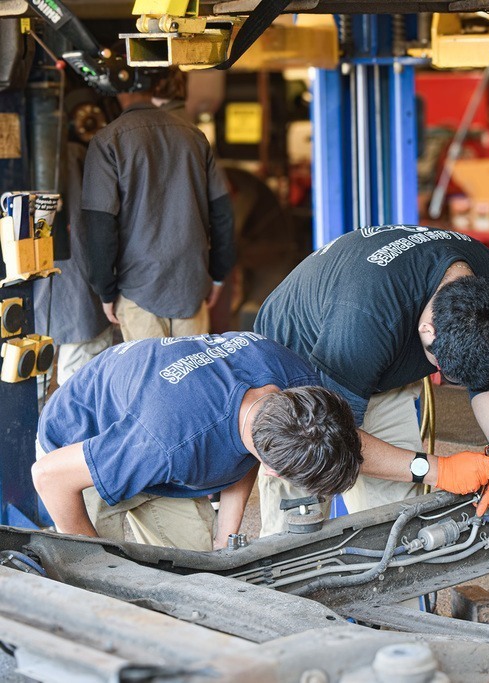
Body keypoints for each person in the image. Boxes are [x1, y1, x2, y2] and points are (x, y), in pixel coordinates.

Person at [254, 225, 489, 532]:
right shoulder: (366, 318)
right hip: (299, 377)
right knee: (298, 529)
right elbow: (332, 439)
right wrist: (438, 469)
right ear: (428, 330)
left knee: (396, 523)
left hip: (377, 363)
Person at [31, 332, 361, 551]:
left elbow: (250, 448)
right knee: (104, 581)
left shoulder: (292, 384)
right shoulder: (168, 442)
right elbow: (48, 476)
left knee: (199, 573)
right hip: (80, 443)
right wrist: (89, 564)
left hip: (150, 420)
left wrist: (226, 537)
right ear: (273, 471)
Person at [81, 70, 236, 341]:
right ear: (155, 87)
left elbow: (100, 225)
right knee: (193, 377)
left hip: (138, 292)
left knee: (151, 380)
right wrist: (218, 275)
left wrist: (105, 290)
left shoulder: (108, 140)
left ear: (118, 90)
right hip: (191, 287)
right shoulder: (194, 135)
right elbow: (222, 213)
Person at [33, 141, 112, 386]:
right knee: (79, 393)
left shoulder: (14, 158)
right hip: (80, 294)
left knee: (28, 389)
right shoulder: (81, 154)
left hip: (30, 296)